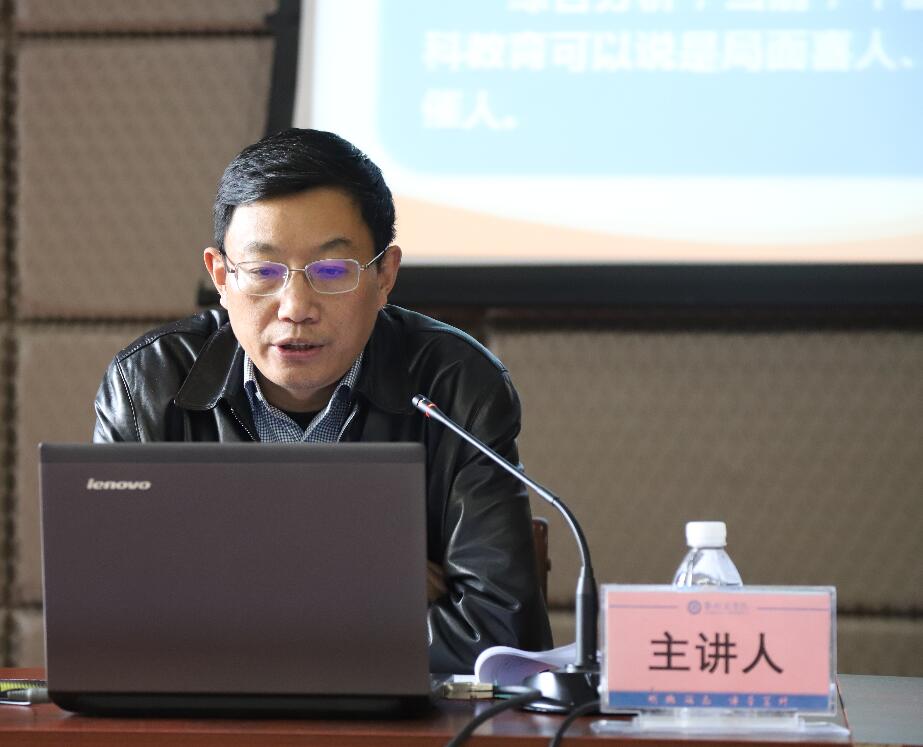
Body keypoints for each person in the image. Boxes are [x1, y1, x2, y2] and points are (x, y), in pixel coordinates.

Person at [93, 128, 552, 673]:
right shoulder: (147, 385)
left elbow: (493, 636)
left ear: (384, 276)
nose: (295, 307)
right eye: (263, 272)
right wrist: (369, 576)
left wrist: (232, 598)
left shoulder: (457, 385)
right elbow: (111, 624)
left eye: (331, 271)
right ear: (221, 276)